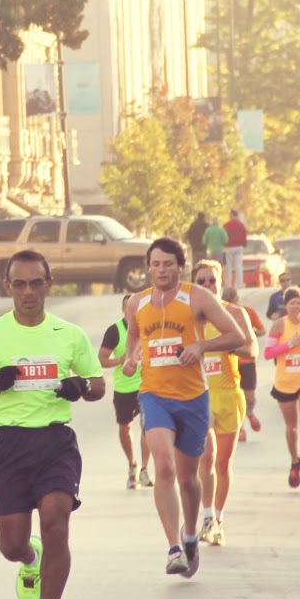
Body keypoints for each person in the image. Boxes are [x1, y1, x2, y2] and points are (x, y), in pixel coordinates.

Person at [0, 249, 104, 599]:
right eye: (19, 284)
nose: (28, 292)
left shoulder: (68, 335)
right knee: (10, 543)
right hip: (8, 445)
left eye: (36, 283)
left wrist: (79, 387)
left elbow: (97, 385)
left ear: (48, 285)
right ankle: (28, 558)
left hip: (55, 442)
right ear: (8, 287)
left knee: (56, 522)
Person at [121, 237, 245, 577]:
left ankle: (190, 536)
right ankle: (173, 547)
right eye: (155, 264)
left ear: (180, 266)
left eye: (168, 264)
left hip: (192, 398)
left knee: (189, 479)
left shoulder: (198, 298)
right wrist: (131, 357)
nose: (161, 270)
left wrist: (201, 345)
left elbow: (237, 337)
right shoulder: (138, 302)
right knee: (164, 466)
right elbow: (133, 334)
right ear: (148, 267)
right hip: (154, 395)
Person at [192, 262, 257, 546]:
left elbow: (251, 350)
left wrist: (220, 344)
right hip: (198, 394)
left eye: (212, 281)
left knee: (222, 462)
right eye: (201, 281)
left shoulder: (234, 313)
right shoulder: (188, 314)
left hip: (229, 394)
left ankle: (218, 519)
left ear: (221, 282)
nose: (207, 285)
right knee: (205, 458)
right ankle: (206, 517)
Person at [263, 287, 300, 487]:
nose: (296, 306)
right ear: (285, 306)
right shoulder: (279, 325)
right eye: (292, 303)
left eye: (299, 302)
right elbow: (268, 353)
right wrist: (289, 344)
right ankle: (295, 461)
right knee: (292, 427)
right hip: (285, 382)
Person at [100, 292, 152, 490]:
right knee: (125, 427)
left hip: (146, 385)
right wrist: (119, 360)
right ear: (124, 310)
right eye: (128, 307)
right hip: (123, 387)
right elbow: (101, 359)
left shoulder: (149, 326)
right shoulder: (114, 331)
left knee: (147, 426)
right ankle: (132, 464)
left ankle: (145, 468)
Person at [223, 284, 266, 437]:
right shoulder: (218, 313)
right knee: (234, 396)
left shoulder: (247, 312)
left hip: (246, 361)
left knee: (249, 397)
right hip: (229, 362)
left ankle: (250, 413)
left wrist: (249, 333)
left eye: (232, 301)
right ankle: (239, 427)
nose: (230, 304)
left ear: (237, 299)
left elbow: (262, 330)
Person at [222, 209, 248, 291]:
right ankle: (239, 284)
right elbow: (244, 234)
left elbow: (224, 236)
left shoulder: (226, 225)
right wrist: (243, 244)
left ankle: (228, 284)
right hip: (238, 247)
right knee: (238, 266)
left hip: (228, 247)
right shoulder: (241, 225)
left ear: (231, 215)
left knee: (228, 266)